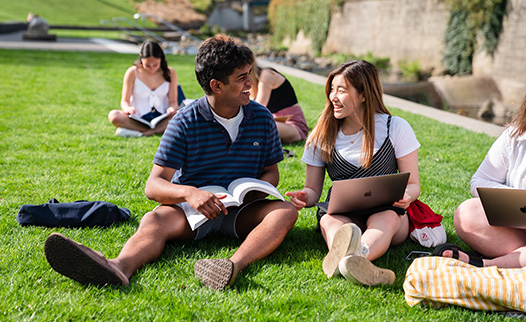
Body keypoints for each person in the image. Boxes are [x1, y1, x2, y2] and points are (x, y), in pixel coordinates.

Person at [44, 35, 298, 290]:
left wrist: (254, 192)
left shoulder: (263, 117)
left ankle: (230, 266)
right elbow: (153, 186)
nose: (250, 83)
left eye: (250, 73)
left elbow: (270, 172)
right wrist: (191, 194)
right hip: (192, 212)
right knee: (153, 221)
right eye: (242, 77)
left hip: (242, 211)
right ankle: (118, 267)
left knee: (285, 212)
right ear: (216, 85)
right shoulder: (185, 121)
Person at [286, 60, 421, 286]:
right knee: (329, 220)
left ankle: (355, 257)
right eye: (331, 89)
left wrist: (406, 197)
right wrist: (304, 197)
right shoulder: (321, 135)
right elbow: (312, 190)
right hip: (342, 212)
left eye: (341, 90)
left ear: (363, 95)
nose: (333, 97)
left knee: (386, 218)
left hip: (389, 212)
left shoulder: (395, 127)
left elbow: (414, 183)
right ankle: (357, 264)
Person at [435, 94, 526, 268]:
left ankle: (483, 264)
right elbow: (480, 181)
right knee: (467, 214)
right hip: (516, 227)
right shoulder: (514, 137)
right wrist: (517, 199)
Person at [108, 40, 178, 137]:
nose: (152, 68)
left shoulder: (171, 73)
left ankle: (142, 133)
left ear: (161, 59)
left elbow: (173, 102)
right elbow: (124, 101)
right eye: (147, 66)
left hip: (162, 117)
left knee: (182, 115)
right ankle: (154, 130)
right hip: (138, 118)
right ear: (141, 57)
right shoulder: (132, 72)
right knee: (113, 115)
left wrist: (171, 109)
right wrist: (127, 108)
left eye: (155, 65)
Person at [250, 64, 309, 143]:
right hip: (278, 123)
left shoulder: (267, 75)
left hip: (294, 127)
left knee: (257, 125)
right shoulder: (252, 84)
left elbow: (256, 111)